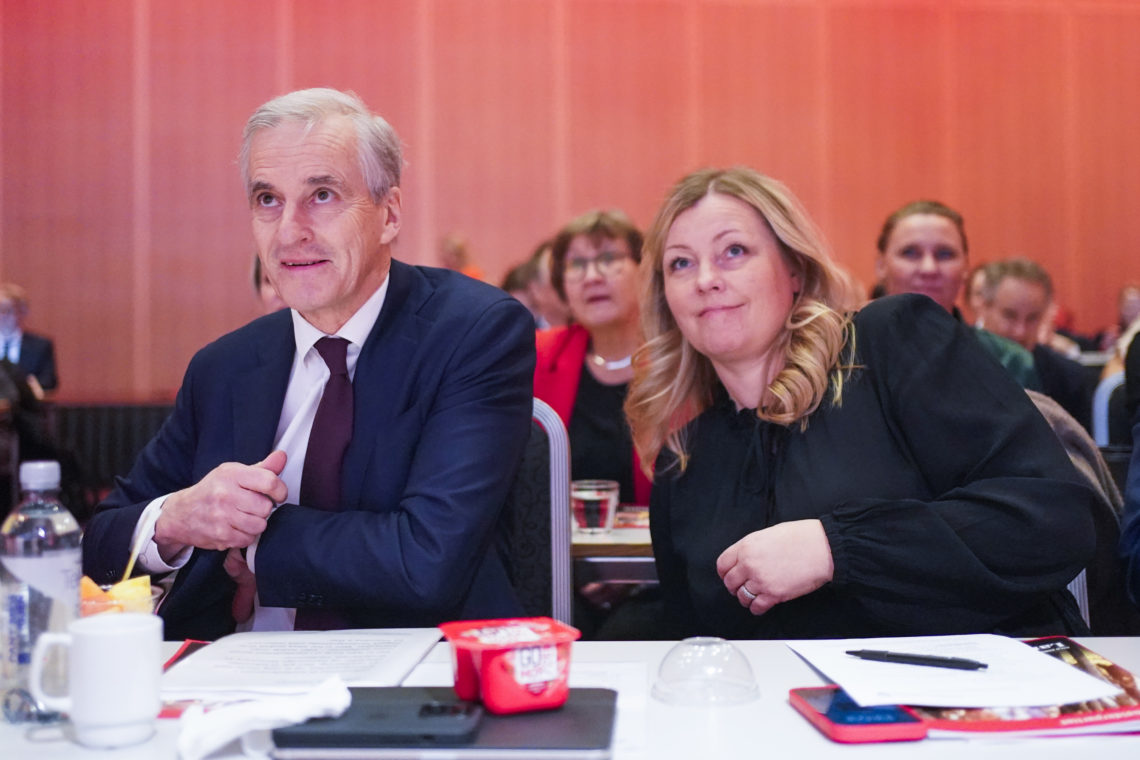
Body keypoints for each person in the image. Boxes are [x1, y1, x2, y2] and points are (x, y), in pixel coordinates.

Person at [81, 88, 536, 640]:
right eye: (267, 199)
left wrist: (257, 543)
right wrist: (175, 520)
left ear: (389, 214)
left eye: (322, 195)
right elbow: (99, 547)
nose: (289, 231)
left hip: (413, 668)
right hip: (228, 670)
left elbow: (426, 562)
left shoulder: (472, 332)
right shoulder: (223, 366)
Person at [625, 167, 1096, 639]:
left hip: (982, 676)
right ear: (666, 298)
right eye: (681, 263)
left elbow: (1052, 520)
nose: (706, 279)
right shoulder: (682, 463)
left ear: (794, 269)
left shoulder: (890, 343)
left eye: (734, 251)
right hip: (779, 690)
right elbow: (695, 643)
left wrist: (835, 547)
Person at [534, 209, 651, 506]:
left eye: (609, 259)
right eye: (576, 264)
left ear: (645, 271)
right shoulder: (538, 357)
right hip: (563, 535)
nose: (592, 277)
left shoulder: (680, 361)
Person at [875, 200, 1040, 390]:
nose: (929, 268)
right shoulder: (851, 357)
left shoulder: (1010, 361)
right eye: (910, 253)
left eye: (945, 254)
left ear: (966, 267)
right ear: (881, 266)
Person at [978, 258, 1096, 430]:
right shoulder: (956, 368)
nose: (1020, 331)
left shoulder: (1070, 380)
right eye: (1009, 315)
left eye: (1032, 318)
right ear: (984, 307)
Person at [0, 282, 57, 393]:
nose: (4, 316)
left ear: (22, 312)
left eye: (10, 310)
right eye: (1, 310)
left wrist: (29, 386)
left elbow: (49, 381)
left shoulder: (40, 346)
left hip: (25, 402)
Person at [526, 241, 572, 329]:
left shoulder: (594, 332)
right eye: (558, 275)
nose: (569, 279)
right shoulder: (525, 334)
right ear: (536, 290)